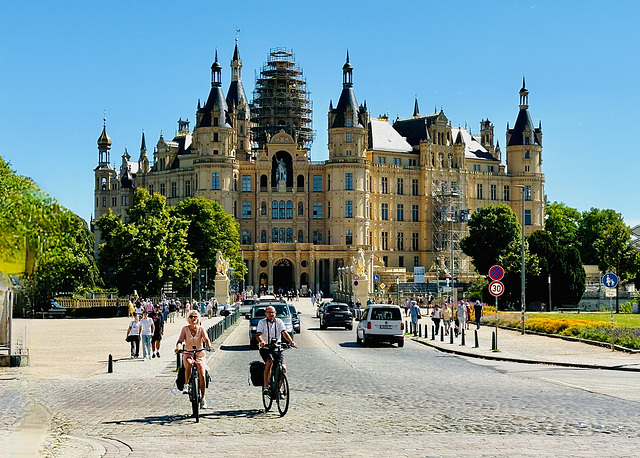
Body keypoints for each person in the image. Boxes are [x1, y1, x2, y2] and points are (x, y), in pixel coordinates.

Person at [175, 311, 212, 409]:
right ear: (188, 319)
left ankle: (203, 398)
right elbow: (180, 341)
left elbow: (206, 339)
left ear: (198, 318)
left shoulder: (201, 329)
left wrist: (209, 346)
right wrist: (178, 347)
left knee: (202, 371)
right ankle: (187, 384)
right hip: (188, 353)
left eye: (195, 317)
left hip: (199, 354)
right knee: (189, 364)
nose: (193, 319)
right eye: (191, 317)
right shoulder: (185, 329)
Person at [256, 305, 297, 394]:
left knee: (283, 368)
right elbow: (258, 334)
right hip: (265, 348)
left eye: (273, 312)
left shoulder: (279, 322)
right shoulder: (262, 322)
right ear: (266, 314)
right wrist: (262, 341)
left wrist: (291, 341)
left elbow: (284, 333)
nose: (271, 314)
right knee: (269, 362)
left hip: (277, 348)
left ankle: (278, 388)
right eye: (269, 312)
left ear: (275, 313)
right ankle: (266, 386)